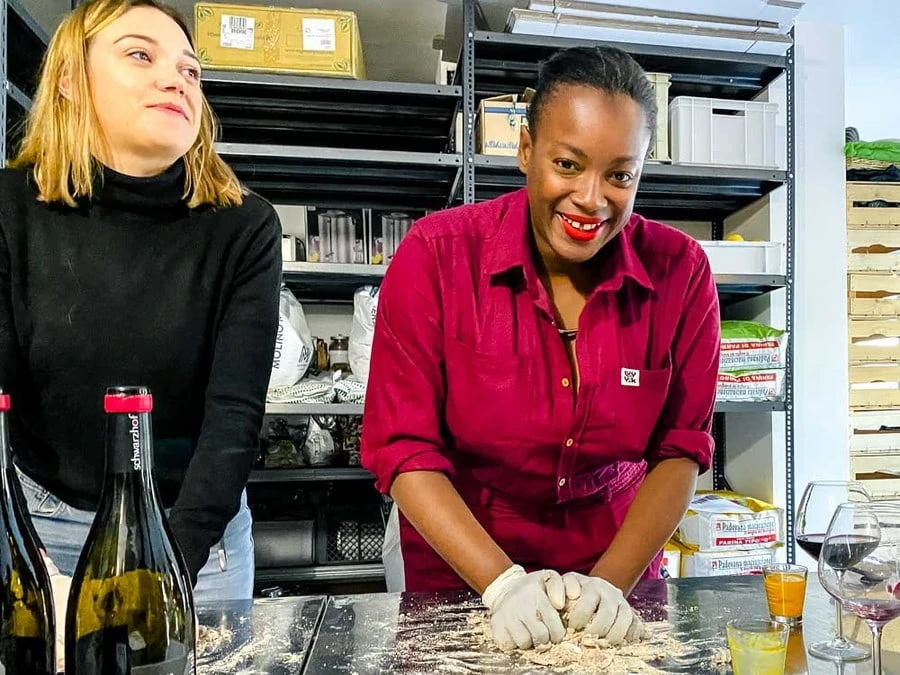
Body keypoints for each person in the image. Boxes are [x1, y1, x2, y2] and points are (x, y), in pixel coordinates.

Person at [361, 45, 720, 651]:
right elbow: (403, 449)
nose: (591, 198)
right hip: (463, 564)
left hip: (614, 562)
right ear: (526, 150)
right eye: (568, 164)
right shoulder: (437, 257)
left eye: (619, 175)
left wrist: (612, 583)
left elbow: (680, 449)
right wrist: (501, 585)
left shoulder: (680, 273)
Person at [0, 0, 281, 649]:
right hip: (50, 529)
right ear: (71, 78)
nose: (175, 77)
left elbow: (232, 423)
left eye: (189, 68)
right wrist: (29, 567)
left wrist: (162, 583)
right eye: (139, 54)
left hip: (194, 530)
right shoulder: (12, 211)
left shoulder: (243, 228)